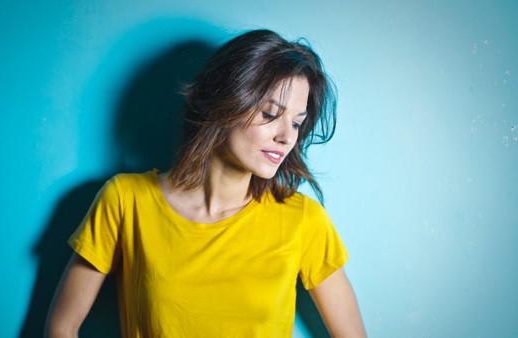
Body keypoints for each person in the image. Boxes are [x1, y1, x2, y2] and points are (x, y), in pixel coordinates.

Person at [45, 29, 366, 337]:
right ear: (222, 103)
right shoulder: (126, 200)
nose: (286, 137)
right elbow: (61, 328)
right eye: (270, 114)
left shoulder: (303, 221)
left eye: (296, 123)